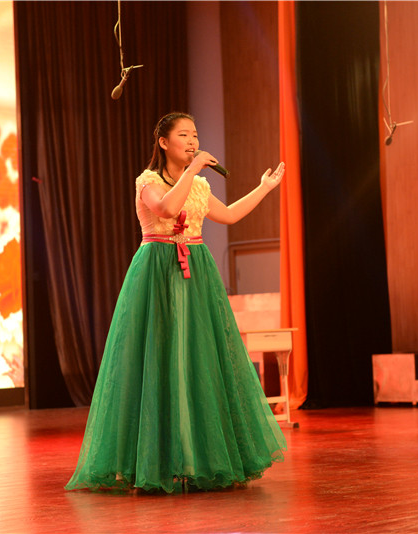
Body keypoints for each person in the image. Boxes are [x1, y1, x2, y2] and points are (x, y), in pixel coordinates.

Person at [65, 112, 287, 493]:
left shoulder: (199, 186)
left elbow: (229, 214)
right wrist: (194, 168)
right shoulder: (147, 182)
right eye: (184, 135)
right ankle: (155, 460)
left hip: (196, 274)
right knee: (158, 361)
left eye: (195, 135)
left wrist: (263, 188)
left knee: (198, 362)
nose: (192, 141)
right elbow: (166, 209)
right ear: (163, 142)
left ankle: (200, 458)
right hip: (156, 273)